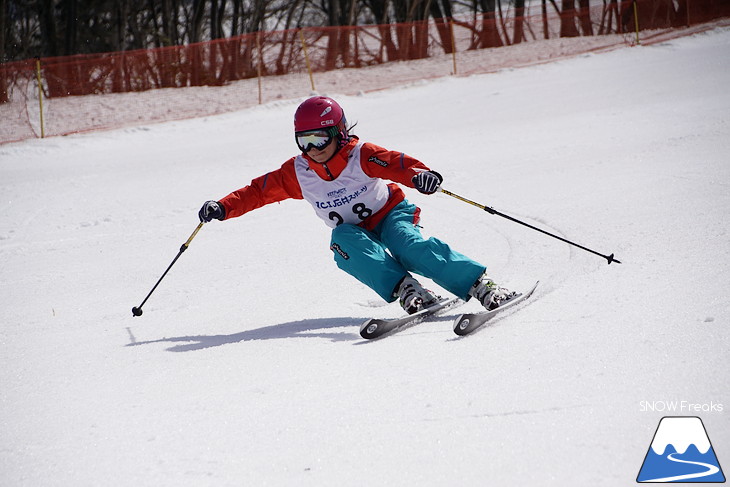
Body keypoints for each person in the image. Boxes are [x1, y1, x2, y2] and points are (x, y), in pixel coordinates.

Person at [199, 96, 515, 314]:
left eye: (319, 139)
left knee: (408, 245)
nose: (313, 149)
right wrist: (223, 207)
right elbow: (258, 192)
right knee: (342, 243)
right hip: (353, 230)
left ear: (339, 132)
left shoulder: (359, 154)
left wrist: (422, 176)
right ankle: (409, 290)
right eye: (304, 141)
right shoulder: (298, 172)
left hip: (390, 214)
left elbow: (397, 163)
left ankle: (480, 285)